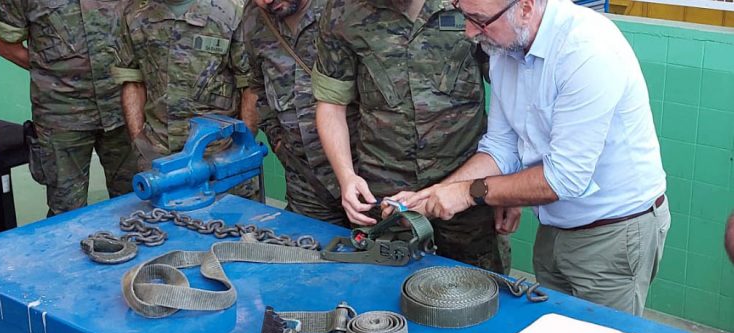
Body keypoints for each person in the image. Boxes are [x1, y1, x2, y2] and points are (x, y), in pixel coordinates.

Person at [390, 0, 669, 315]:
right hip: (555, 225)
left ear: (524, 8)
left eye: (478, 20)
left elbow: (564, 178)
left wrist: (467, 193)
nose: (469, 33)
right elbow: (501, 148)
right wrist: (434, 194)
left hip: (613, 233)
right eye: (465, 17)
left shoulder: (588, 51)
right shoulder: (506, 46)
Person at [312, 0, 504, 272]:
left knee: (478, 290)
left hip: (466, 190)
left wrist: (504, 187)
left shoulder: (471, 4)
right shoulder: (343, 11)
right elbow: (331, 102)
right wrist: (346, 177)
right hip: (385, 196)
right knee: (382, 293)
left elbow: (510, 91)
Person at [0, 0, 137, 216]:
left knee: (135, 200)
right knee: (67, 212)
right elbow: (7, 48)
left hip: (121, 108)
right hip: (61, 116)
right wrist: (56, 75)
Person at [114, 0, 259, 198]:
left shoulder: (231, 12)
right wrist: (139, 140)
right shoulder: (135, 14)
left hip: (219, 157)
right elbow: (132, 80)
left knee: (234, 223)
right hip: (158, 156)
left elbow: (251, 85)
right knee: (162, 226)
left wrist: (240, 149)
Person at [243, 0, 357, 226]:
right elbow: (258, 86)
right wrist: (278, 142)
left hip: (363, 173)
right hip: (304, 183)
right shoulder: (255, 16)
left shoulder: (347, 7)